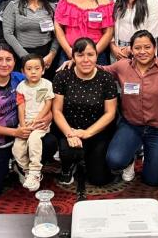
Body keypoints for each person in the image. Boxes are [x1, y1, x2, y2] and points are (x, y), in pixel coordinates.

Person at [0, 45, 57, 201]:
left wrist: (48, 116)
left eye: (8, 59)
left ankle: (23, 168)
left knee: (50, 141)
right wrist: (15, 133)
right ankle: (13, 163)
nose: (4, 64)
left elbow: (43, 100)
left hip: (26, 131)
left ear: (14, 62)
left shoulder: (20, 78)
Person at [104, 30, 158, 186]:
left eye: (147, 47)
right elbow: (98, 71)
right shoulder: (122, 66)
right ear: (131, 50)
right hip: (131, 126)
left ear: (155, 48)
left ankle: (150, 157)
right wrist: (74, 62)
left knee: (153, 180)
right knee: (114, 161)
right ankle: (130, 159)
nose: (142, 52)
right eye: (137, 48)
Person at [53, 38, 119, 201]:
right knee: (69, 152)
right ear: (73, 57)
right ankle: (69, 165)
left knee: (98, 179)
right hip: (69, 130)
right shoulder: (62, 76)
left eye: (90, 54)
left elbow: (110, 113)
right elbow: (56, 110)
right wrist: (70, 133)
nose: (86, 59)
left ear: (97, 56)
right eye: (80, 55)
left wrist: (87, 133)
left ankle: (89, 159)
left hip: (97, 132)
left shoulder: (106, 78)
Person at [1, 0, 59, 80]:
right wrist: (26, 57)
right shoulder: (13, 6)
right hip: (21, 56)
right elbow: (7, 33)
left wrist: (51, 55)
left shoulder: (52, 8)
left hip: (46, 58)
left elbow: (58, 34)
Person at [53, 0, 114, 65]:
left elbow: (108, 33)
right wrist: (69, 51)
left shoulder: (106, 4)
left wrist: (92, 54)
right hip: (69, 54)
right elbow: (58, 26)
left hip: (97, 56)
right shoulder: (66, 0)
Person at [11, 54, 54, 192]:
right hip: (25, 123)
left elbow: (48, 103)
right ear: (23, 72)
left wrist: (38, 119)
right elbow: (21, 106)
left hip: (41, 123)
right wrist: (23, 125)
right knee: (17, 149)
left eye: (37, 68)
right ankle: (27, 170)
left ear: (43, 70)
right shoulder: (21, 87)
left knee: (34, 140)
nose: (33, 72)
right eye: (29, 69)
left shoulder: (47, 84)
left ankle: (35, 170)